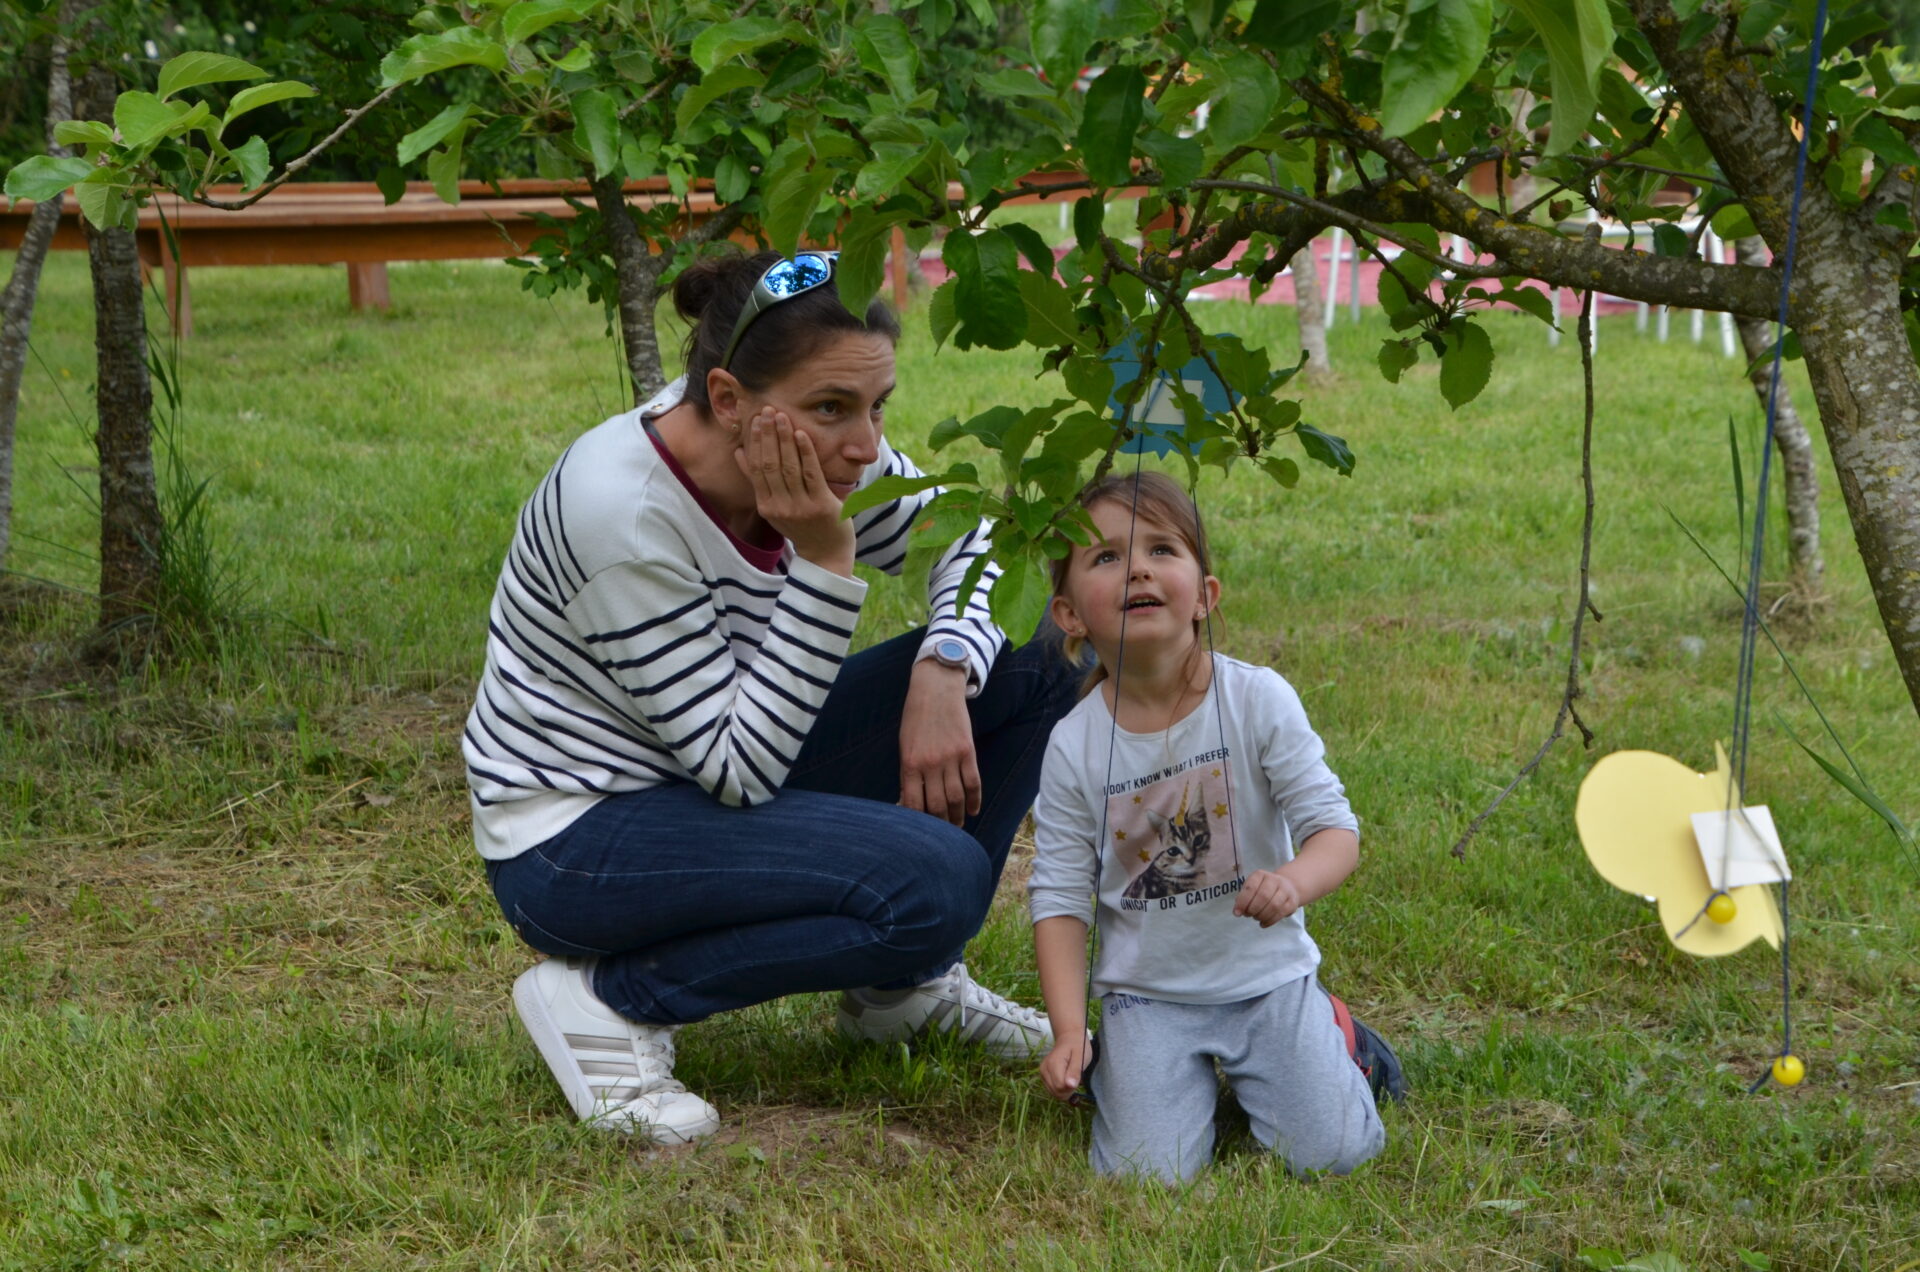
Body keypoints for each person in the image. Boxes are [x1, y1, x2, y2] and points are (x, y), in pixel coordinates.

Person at [465, 249, 1078, 1145]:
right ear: (727, 399)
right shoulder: (622, 514)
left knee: (1042, 652)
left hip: (713, 760)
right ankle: (608, 998)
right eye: (833, 408)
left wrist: (945, 664)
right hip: (575, 841)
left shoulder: (806, 448)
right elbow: (739, 772)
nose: (865, 445)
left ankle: (899, 992)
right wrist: (826, 561)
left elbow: (980, 538)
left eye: (877, 406)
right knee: (936, 881)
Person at [1028, 470, 1404, 1185]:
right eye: (1106, 556)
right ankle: (1130, 1066)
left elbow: (1335, 831)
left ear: (1205, 595)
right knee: (1144, 1176)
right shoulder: (1074, 745)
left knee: (1334, 1155)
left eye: (1161, 549)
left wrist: (1293, 882)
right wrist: (1070, 1030)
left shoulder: (1256, 699)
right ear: (1069, 614)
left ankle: (1340, 1037)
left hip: (1266, 981)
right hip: (1147, 995)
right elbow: (1059, 898)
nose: (1138, 568)